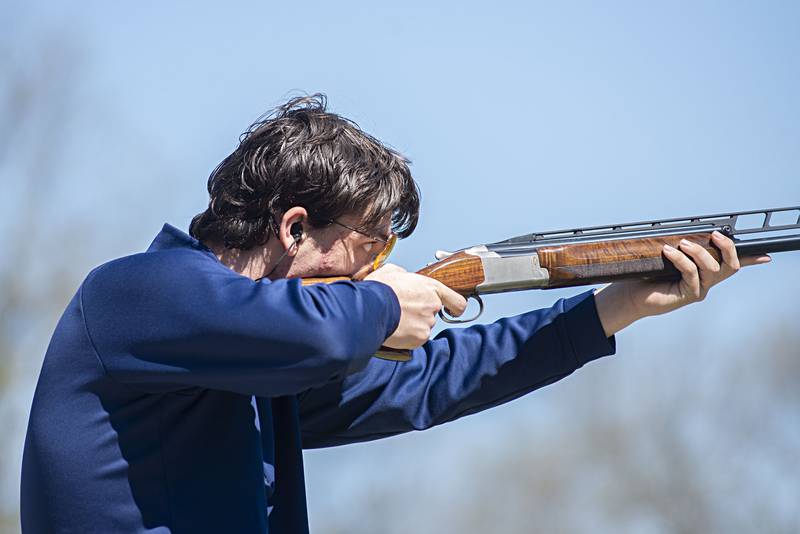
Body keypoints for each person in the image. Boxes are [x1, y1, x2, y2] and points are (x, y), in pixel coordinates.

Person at [20, 95, 770, 533]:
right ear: (293, 229)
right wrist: (383, 304)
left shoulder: (255, 371)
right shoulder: (138, 292)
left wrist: (610, 309)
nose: (378, 271)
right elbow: (315, 330)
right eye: (368, 249)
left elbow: (430, 382)